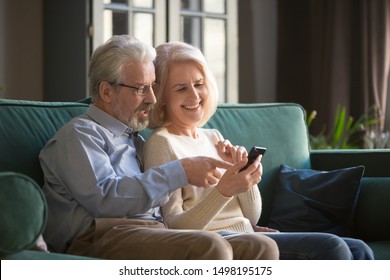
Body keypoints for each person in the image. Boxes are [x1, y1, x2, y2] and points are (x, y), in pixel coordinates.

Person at [38, 35, 279, 260]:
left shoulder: (135, 140)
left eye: (153, 87)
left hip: (155, 231)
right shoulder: (80, 134)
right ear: (106, 91)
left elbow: (171, 212)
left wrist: (236, 221)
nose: (152, 98)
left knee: (260, 246)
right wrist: (181, 171)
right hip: (100, 236)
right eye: (141, 88)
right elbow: (105, 198)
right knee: (211, 247)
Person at [144, 41, 374, 260]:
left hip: (249, 234)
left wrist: (245, 178)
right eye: (181, 88)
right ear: (162, 97)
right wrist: (224, 190)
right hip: (214, 243)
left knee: (359, 248)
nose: (194, 96)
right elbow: (173, 227)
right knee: (331, 248)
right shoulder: (161, 143)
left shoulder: (212, 137)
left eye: (198, 84)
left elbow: (250, 217)